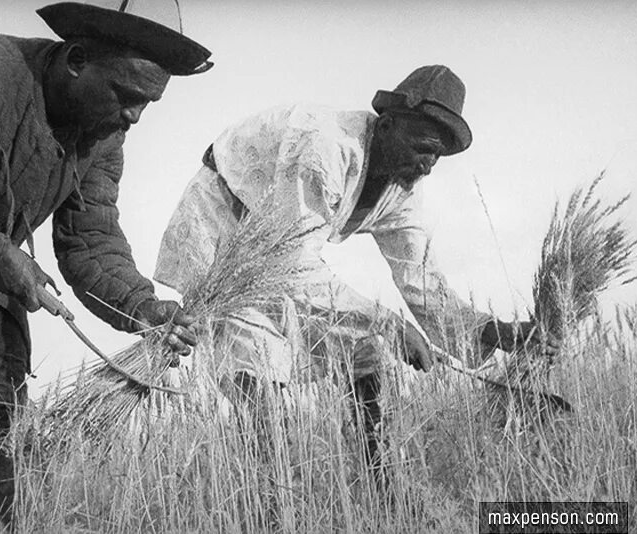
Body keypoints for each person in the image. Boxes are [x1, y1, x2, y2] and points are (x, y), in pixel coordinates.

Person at [154, 64, 556, 494]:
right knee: (256, 374)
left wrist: (492, 331)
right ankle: (270, 505)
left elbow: (420, 277)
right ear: (387, 124)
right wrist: (389, 321)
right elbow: (293, 264)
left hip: (281, 250)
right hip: (222, 232)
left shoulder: (401, 187)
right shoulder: (326, 147)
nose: (427, 166)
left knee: (364, 350)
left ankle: (382, 488)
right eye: (421, 147)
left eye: (436, 156)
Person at [0, 1, 210, 527]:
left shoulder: (102, 135)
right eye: (128, 96)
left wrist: (143, 306)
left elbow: (89, 241)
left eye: (148, 104)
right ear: (77, 59)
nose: (134, 116)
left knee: (4, 468)